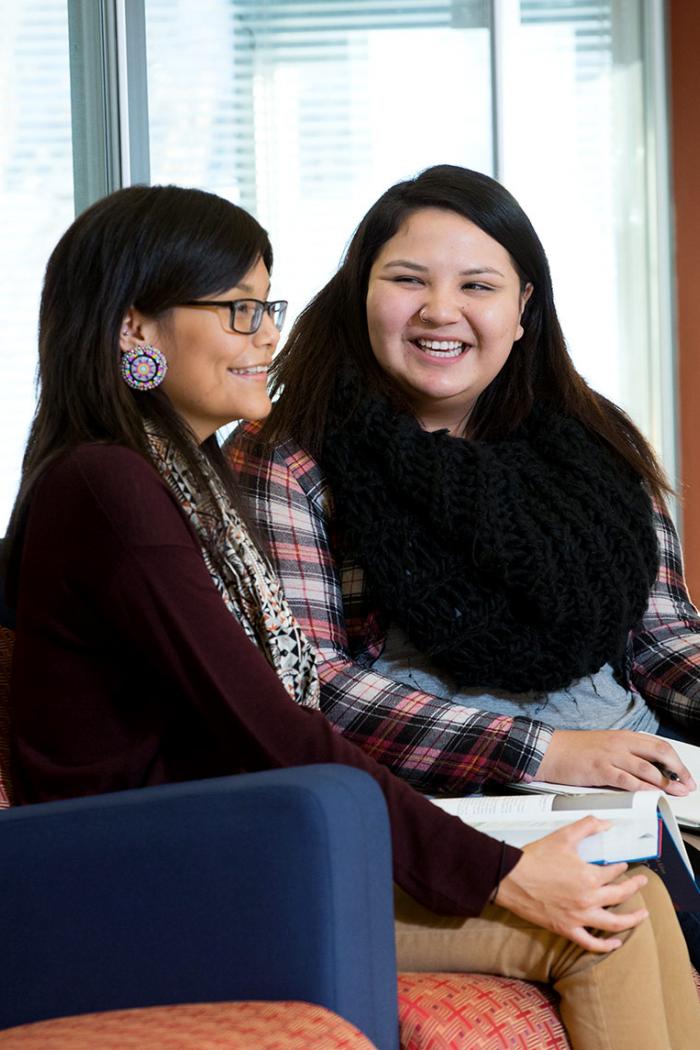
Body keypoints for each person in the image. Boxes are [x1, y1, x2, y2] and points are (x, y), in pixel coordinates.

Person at [4, 184, 698, 1050]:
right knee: (604, 928)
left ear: (526, 308)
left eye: (268, 305)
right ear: (134, 329)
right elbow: (277, 725)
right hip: (145, 884)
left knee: (628, 906)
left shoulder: (171, 481)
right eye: (239, 310)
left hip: (221, 852)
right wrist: (502, 874)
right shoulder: (115, 489)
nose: (268, 335)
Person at [226, 165, 700, 963]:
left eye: (477, 284)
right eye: (408, 280)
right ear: (359, 295)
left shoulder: (596, 446)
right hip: (454, 798)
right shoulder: (285, 456)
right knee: (635, 915)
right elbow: (308, 685)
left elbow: (662, 637)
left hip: (643, 769)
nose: (440, 312)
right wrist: (542, 750)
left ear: (523, 310)